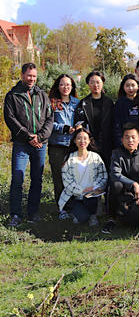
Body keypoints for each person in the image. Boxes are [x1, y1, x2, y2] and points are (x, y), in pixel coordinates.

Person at [4, 62, 53, 227]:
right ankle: (16, 215)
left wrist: (39, 137)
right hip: (21, 144)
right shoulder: (12, 95)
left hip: (40, 144)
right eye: (29, 75)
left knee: (37, 179)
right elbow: (10, 119)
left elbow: (49, 118)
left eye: (34, 76)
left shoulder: (42, 94)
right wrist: (28, 137)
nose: (32, 79)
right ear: (22, 75)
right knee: (18, 178)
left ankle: (33, 213)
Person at [108, 123, 139, 230]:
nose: (130, 140)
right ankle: (113, 216)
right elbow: (115, 174)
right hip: (125, 192)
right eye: (127, 137)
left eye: (133, 137)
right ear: (122, 140)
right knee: (115, 184)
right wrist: (133, 184)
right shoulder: (116, 153)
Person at [59, 128, 108, 226]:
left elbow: (103, 176)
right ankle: (78, 213)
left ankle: (93, 215)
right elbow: (67, 181)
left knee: (90, 201)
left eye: (85, 138)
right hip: (74, 196)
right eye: (79, 138)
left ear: (89, 140)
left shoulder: (95, 157)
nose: (82, 141)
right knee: (82, 219)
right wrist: (81, 190)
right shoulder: (69, 159)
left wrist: (94, 187)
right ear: (74, 141)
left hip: (92, 195)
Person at [48, 74, 80, 219]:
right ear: (57, 86)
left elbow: (82, 120)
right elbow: (48, 123)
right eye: (62, 84)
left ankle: (75, 207)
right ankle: (62, 208)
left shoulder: (77, 103)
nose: (65, 87)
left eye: (68, 84)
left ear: (72, 86)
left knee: (74, 177)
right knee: (59, 178)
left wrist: (79, 127)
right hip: (57, 145)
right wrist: (63, 128)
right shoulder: (53, 103)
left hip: (74, 145)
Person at [74, 71, 114, 169]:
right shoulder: (83, 103)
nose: (95, 85)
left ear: (102, 83)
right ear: (88, 84)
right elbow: (79, 122)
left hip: (107, 143)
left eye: (98, 82)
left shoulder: (109, 103)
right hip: (90, 144)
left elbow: (113, 123)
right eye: (92, 82)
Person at [113, 74, 139, 147]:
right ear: (123, 87)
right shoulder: (119, 103)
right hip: (125, 141)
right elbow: (117, 124)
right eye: (127, 86)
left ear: (138, 86)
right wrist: (120, 141)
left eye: (133, 85)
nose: (130, 88)